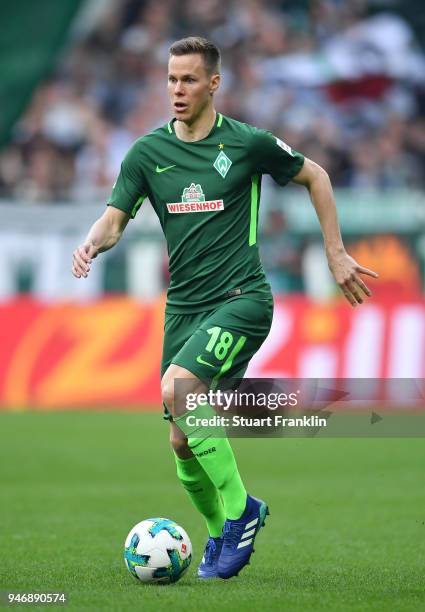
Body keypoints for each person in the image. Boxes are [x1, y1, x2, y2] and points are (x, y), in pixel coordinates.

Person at [72, 36, 378, 580]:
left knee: (177, 389)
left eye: (189, 79)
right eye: (171, 79)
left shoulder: (247, 143)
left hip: (242, 299)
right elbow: (115, 218)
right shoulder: (147, 153)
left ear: (214, 83)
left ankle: (242, 513)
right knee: (180, 438)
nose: (177, 90)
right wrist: (93, 243)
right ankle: (217, 536)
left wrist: (335, 253)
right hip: (184, 310)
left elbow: (317, 175)